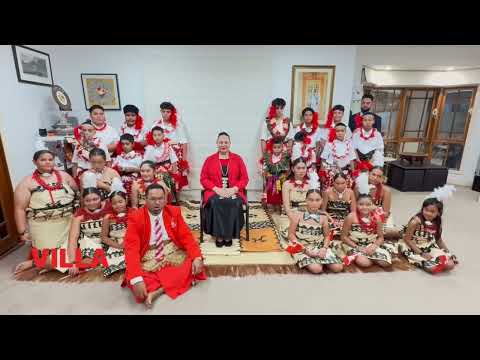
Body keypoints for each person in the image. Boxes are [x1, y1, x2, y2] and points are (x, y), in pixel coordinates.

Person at [122, 184, 207, 307]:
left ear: (166, 199)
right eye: (152, 199)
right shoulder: (135, 218)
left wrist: (197, 257)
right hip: (148, 255)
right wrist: (137, 279)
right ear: (145, 199)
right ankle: (174, 283)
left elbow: (186, 237)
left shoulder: (174, 212)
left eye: (161, 198)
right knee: (135, 280)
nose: (157, 203)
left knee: (195, 263)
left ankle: (158, 290)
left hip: (171, 250)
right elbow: (131, 250)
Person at [13, 150, 78, 274]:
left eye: (50, 159)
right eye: (43, 160)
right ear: (35, 162)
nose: (47, 162)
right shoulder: (27, 182)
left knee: (78, 248)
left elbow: (77, 194)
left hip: (68, 221)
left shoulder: (64, 176)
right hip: (43, 225)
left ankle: (38, 263)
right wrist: (23, 231)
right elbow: (19, 209)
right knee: (48, 254)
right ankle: (39, 262)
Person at [200, 132, 249, 248]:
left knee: (234, 202)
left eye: (226, 142)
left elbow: (245, 178)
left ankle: (229, 235)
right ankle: (219, 235)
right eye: (221, 142)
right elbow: (203, 178)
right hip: (214, 191)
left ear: (230, 143)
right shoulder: (209, 159)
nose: (223, 144)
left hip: (234, 191)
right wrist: (216, 189)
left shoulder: (238, 159)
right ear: (217, 143)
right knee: (216, 202)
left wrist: (234, 189)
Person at [398, 185, 457, 274]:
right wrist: (422, 253)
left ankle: (437, 261)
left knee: (450, 265)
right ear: (422, 209)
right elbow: (407, 239)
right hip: (413, 246)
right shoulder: (415, 221)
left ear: (438, 213)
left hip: (429, 246)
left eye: (432, 211)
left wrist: (448, 253)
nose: (428, 213)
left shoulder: (437, 222)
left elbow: (438, 240)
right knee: (432, 269)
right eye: (426, 210)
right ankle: (428, 263)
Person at [341, 173, 392, 268]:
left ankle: (371, 256)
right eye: (361, 204)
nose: (364, 207)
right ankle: (366, 257)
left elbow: (380, 237)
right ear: (356, 204)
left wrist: (374, 246)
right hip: (354, 244)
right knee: (364, 263)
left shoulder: (377, 217)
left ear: (372, 205)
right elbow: (343, 237)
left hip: (370, 243)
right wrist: (357, 247)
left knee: (386, 263)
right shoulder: (351, 217)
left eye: (368, 205)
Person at [287, 187, 343, 274]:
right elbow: (291, 234)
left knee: (338, 267)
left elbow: (327, 236)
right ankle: (314, 262)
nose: (314, 203)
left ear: (321, 201)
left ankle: (323, 259)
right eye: (311, 200)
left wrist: (324, 248)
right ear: (306, 200)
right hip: (302, 246)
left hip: (318, 246)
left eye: (317, 200)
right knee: (317, 269)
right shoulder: (297, 215)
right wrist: (305, 250)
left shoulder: (323, 218)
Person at [67, 187, 112, 277]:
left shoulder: (110, 210)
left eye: (95, 199)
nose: (92, 203)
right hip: (87, 245)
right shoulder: (79, 216)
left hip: (107, 245)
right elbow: (73, 239)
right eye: (87, 200)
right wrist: (73, 262)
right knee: (52, 261)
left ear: (101, 197)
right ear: (83, 201)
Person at [150, 102, 190, 191]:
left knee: (175, 176)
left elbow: (184, 142)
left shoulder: (177, 124)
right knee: (161, 176)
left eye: (168, 112)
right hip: (160, 153)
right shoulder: (156, 124)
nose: (165, 114)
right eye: (163, 111)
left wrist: (184, 160)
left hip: (175, 153)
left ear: (171, 112)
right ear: (160, 111)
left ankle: (176, 197)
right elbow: (151, 139)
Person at [143, 126, 178, 201]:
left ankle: (167, 200)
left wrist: (175, 175)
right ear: (152, 136)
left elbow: (174, 161)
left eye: (159, 135)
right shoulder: (150, 148)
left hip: (167, 170)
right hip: (154, 170)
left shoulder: (167, 147)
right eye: (155, 135)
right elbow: (145, 162)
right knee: (153, 177)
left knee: (164, 177)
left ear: (163, 135)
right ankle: (153, 197)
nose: (157, 137)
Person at [100, 189, 128, 277]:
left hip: (131, 241)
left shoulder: (134, 213)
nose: (118, 205)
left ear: (126, 200)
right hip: (115, 243)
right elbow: (104, 237)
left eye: (120, 202)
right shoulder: (108, 218)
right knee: (112, 262)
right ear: (111, 204)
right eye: (114, 203)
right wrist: (118, 246)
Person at [319, 122, 356, 190]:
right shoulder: (329, 144)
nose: (340, 133)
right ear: (334, 132)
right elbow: (323, 159)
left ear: (345, 132)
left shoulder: (349, 144)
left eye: (342, 131)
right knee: (330, 190)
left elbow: (351, 160)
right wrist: (322, 173)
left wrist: (353, 173)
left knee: (345, 190)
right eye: (337, 131)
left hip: (345, 171)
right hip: (332, 171)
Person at [322, 172, 356, 240]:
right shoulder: (327, 192)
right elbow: (323, 210)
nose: (340, 186)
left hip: (346, 220)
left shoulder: (350, 192)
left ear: (346, 182)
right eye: (337, 183)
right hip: (331, 219)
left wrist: (346, 221)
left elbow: (353, 212)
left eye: (343, 183)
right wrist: (332, 220)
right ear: (333, 182)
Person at [261, 138, 290, 214]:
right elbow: (264, 169)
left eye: (278, 147)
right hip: (270, 181)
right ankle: (270, 209)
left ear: (282, 147)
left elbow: (287, 170)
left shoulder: (284, 157)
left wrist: (284, 177)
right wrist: (265, 178)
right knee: (270, 196)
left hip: (280, 181)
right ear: (272, 148)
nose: (276, 149)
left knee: (278, 197)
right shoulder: (268, 156)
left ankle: (278, 209)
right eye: (275, 147)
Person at [112, 133, 143, 199]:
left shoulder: (138, 156)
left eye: (127, 144)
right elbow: (114, 169)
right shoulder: (119, 157)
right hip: (121, 178)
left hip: (134, 178)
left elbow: (142, 169)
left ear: (133, 144)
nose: (125, 146)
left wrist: (131, 169)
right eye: (123, 144)